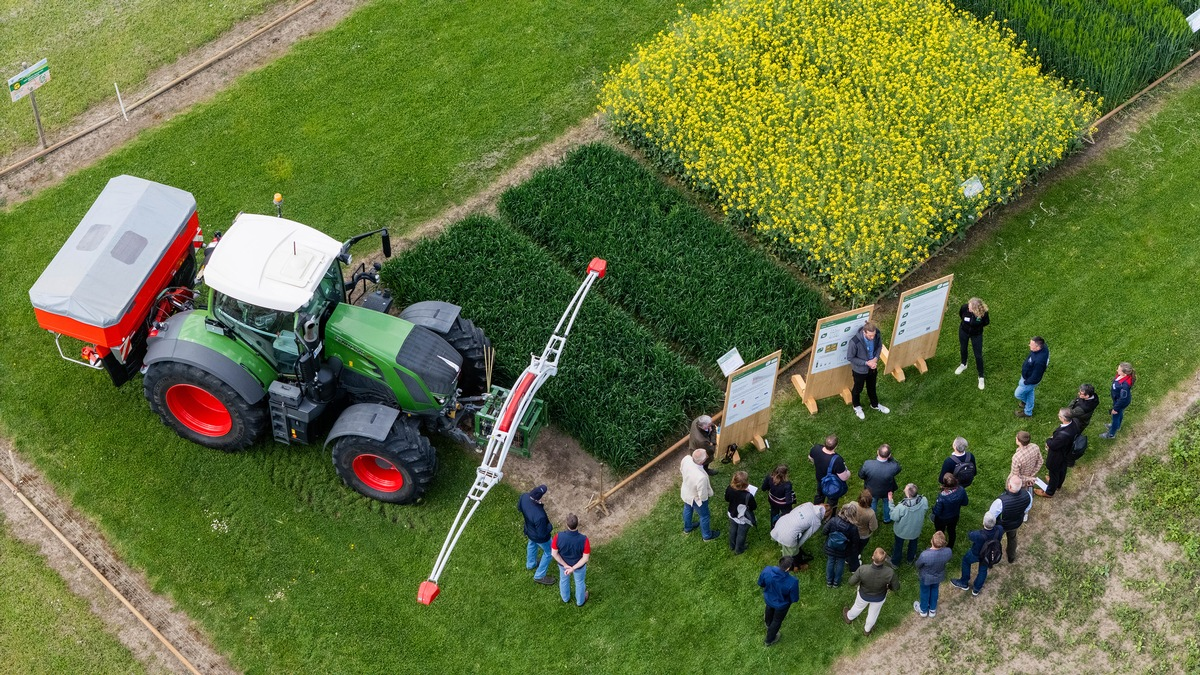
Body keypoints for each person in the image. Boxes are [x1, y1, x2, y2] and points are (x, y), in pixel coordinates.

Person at [842, 547, 900, 635]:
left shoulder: (863, 569)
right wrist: (889, 587)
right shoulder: (890, 572)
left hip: (863, 595)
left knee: (858, 607)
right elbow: (896, 587)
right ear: (884, 560)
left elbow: (851, 582)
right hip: (879, 597)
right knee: (873, 613)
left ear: (873, 557)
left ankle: (849, 617)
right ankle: (867, 630)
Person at [951, 513, 1005, 596]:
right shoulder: (1000, 529)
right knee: (983, 570)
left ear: (983, 522)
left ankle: (964, 582)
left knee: (965, 561)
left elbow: (970, 535)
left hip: (976, 554)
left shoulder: (977, 534)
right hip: (988, 554)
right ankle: (976, 589)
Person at [847, 321, 890, 420]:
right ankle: (857, 406)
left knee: (872, 387)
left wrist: (875, 359)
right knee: (858, 389)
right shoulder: (854, 342)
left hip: (872, 368)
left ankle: (874, 404)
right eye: (870, 336)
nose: (872, 338)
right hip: (859, 371)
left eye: (873, 335)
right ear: (864, 332)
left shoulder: (877, 334)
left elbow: (879, 346)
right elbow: (850, 357)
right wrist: (866, 363)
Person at [986, 474, 1033, 563]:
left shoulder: (1000, 502)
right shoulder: (1028, 495)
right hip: (1016, 523)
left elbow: (991, 516)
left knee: (995, 541)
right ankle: (1011, 556)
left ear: (1009, 486)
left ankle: (993, 557)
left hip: (1002, 526)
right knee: (1012, 538)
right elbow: (1027, 508)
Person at [1036, 408, 1081, 498]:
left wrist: (1048, 440)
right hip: (1066, 452)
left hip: (1057, 456)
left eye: (1059, 415)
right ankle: (1058, 485)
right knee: (1062, 469)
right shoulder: (1074, 423)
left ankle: (1049, 492)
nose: (1058, 416)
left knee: (1054, 472)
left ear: (1064, 419)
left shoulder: (1062, 436)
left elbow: (1053, 445)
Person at [771, 502, 830, 567]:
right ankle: (791, 566)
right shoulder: (817, 522)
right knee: (793, 551)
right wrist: (797, 546)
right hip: (788, 535)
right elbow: (806, 536)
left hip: (782, 522)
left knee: (787, 537)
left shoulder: (809, 504)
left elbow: (793, 511)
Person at [517, 484, 555, 586]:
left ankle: (531, 564)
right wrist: (550, 527)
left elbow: (519, 508)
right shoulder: (539, 515)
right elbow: (542, 534)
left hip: (529, 530)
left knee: (532, 544)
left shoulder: (524, 497)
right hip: (539, 537)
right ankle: (539, 576)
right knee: (549, 552)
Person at [758, 556, 800, 646]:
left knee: (769, 609)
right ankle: (769, 640)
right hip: (781, 605)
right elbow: (794, 598)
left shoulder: (767, 570)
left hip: (769, 598)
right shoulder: (792, 582)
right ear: (788, 568)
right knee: (777, 621)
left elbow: (761, 583)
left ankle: (768, 623)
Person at [550, 513, 590, 607]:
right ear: (577, 524)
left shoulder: (558, 537)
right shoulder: (584, 540)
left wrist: (565, 565)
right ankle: (580, 601)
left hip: (563, 565)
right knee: (579, 582)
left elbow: (554, 553)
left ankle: (565, 598)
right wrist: (573, 568)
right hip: (579, 566)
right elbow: (585, 558)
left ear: (567, 525)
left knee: (563, 580)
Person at [680, 448, 720, 541]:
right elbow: (702, 495)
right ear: (702, 461)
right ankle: (706, 536)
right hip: (696, 498)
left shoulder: (686, 459)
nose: (707, 456)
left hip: (686, 491)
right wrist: (704, 501)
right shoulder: (701, 477)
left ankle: (688, 528)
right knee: (704, 515)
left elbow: (681, 469)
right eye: (706, 455)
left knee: (687, 508)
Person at [858, 444, 902, 523]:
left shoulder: (868, 464)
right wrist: (890, 458)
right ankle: (887, 519)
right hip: (887, 490)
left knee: (873, 503)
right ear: (889, 455)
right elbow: (898, 467)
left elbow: (861, 475)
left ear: (877, 452)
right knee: (887, 503)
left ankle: (873, 519)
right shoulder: (893, 467)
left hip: (871, 490)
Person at [913, 531, 952, 618]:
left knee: (925, 591)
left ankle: (923, 610)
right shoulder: (948, 551)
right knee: (935, 590)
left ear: (932, 541)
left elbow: (918, 564)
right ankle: (932, 610)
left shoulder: (925, 555)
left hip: (926, 578)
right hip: (939, 575)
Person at [822, 503, 861, 587]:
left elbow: (824, 531)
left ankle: (829, 581)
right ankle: (836, 582)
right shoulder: (853, 528)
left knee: (830, 561)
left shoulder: (833, 520)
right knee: (840, 563)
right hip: (844, 549)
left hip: (831, 546)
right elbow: (855, 541)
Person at [954, 297, 990, 390]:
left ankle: (981, 376)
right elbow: (961, 315)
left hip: (976, 335)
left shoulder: (983, 314)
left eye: (970, 308)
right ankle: (963, 364)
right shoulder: (964, 308)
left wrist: (976, 327)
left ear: (976, 309)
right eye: (969, 306)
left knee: (978, 355)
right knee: (963, 348)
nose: (968, 309)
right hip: (964, 331)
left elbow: (986, 322)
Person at [888, 483, 928, 566]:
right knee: (913, 543)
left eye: (905, 490)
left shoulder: (901, 507)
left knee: (898, 545)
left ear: (909, 495)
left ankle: (895, 562)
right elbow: (925, 509)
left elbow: (893, 517)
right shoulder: (924, 500)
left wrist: (891, 501)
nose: (903, 490)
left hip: (901, 531)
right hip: (915, 530)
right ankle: (910, 559)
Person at [809, 435, 850, 508]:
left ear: (824, 443)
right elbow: (844, 478)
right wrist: (848, 472)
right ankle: (829, 515)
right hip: (832, 484)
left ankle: (816, 511)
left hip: (820, 480)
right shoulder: (837, 460)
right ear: (836, 446)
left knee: (819, 495)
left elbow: (810, 457)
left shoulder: (816, 448)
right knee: (832, 501)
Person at [1014, 336, 1049, 418]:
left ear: (1037, 347)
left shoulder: (1039, 361)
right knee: (1029, 392)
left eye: (1031, 344)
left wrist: (1026, 382)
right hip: (1027, 377)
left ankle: (1028, 410)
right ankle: (1028, 410)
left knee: (1018, 394)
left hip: (1029, 381)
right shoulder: (1042, 348)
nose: (1029, 345)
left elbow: (1036, 376)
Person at [931, 474, 968, 550]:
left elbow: (937, 512)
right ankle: (950, 546)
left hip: (942, 518)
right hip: (954, 515)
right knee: (952, 530)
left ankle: (939, 545)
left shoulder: (942, 496)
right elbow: (965, 503)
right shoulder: (961, 490)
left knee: (940, 532)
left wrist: (933, 509)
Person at [1101, 363, 1137, 439]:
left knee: (1115, 417)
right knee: (1120, 413)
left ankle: (1111, 434)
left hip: (1120, 403)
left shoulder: (1125, 386)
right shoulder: (1122, 376)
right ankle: (1118, 426)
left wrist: (1115, 408)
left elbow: (1123, 399)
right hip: (1118, 400)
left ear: (1124, 373)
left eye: (1119, 370)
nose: (1117, 370)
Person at [725, 471, 758, 554]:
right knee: (741, 533)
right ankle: (739, 549)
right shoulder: (748, 496)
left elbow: (727, 498)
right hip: (742, 517)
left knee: (733, 528)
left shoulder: (729, 488)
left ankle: (732, 545)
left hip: (732, 513)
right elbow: (753, 507)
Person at [850, 489, 878, 572]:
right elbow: (873, 527)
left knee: (851, 546)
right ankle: (854, 564)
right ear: (870, 502)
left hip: (851, 531)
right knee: (858, 548)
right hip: (863, 535)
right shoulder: (871, 513)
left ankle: (848, 558)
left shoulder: (852, 504)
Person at [1008, 430, 1042, 496]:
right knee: (1026, 491)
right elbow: (1040, 461)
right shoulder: (1035, 447)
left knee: (1015, 492)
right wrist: (1032, 474)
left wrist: (1029, 478)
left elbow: (1016, 476)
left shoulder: (1017, 457)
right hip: (1030, 477)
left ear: (1018, 441)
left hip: (1019, 482)